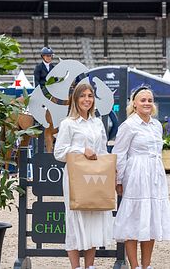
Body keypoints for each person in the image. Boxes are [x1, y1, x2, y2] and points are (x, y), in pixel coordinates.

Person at [53, 82, 114, 269]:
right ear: (75, 99)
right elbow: (59, 152)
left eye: (90, 96)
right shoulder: (68, 124)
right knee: (74, 221)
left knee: (93, 220)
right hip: (75, 178)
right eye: (83, 96)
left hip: (95, 177)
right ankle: (75, 267)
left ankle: (90, 266)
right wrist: (81, 150)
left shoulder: (98, 123)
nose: (87, 99)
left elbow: (102, 150)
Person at [112, 86, 170, 269]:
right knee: (133, 219)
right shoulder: (129, 125)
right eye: (143, 100)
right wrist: (119, 180)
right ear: (134, 104)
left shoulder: (156, 125)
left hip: (155, 174)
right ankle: (135, 266)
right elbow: (119, 154)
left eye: (149, 100)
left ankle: (147, 266)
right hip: (136, 174)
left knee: (151, 219)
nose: (147, 103)